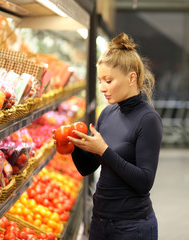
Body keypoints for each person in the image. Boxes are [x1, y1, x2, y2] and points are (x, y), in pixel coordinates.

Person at [65, 32, 162, 240]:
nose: (102, 88)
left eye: (108, 81)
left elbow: (145, 181)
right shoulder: (108, 113)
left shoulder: (148, 119)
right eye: (100, 80)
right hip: (100, 222)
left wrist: (104, 151)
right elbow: (88, 168)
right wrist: (73, 145)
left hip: (132, 227)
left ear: (131, 78)